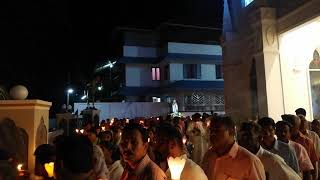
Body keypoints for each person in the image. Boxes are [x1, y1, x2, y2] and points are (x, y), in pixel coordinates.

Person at [201, 116, 265, 180]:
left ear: (232, 131)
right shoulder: (208, 156)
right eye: (211, 131)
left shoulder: (250, 162)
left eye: (217, 131)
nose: (212, 134)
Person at [282, 114, 318, 180]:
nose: (289, 126)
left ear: (298, 126)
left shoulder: (307, 142)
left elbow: (313, 163)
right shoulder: (281, 141)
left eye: (292, 124)